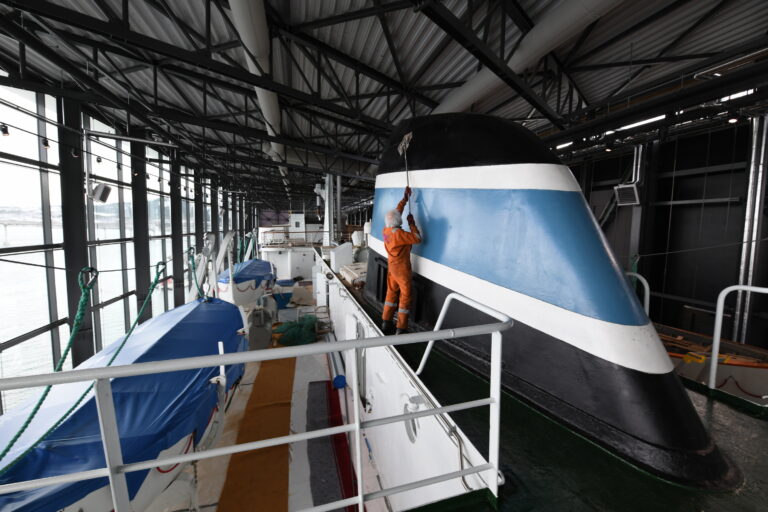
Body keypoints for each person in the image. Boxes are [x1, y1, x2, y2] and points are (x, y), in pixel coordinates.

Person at [381, 186, 422, 335]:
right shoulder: (400, 234)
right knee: (405, 297)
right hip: (403, 270)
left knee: (391, 294)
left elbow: (395, 214)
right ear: (398, 221)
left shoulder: (386, 231)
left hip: (392, 268)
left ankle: (386, 321)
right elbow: (418, 239)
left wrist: (405, 199)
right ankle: (401, 328)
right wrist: (411, 223)